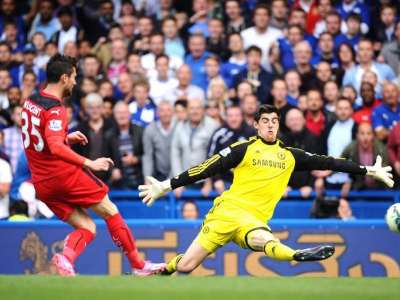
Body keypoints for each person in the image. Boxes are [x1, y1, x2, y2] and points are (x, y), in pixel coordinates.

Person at [139, 104, 393, 275]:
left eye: (274, 121)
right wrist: (166, 185)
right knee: (185, 267)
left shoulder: (289, 155)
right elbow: (206, 168)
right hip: (226, 213)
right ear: (257, 125)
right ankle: (167, 267)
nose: (270, 125)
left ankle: (297, 254)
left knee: (265, 239)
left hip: (254, 220)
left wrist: (368, 170)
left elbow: (329, 162)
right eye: (265, 121)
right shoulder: (243, 149)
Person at [21, 54, 165, 276]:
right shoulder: (56, 108)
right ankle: (138, 265)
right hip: (63, 176)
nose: (75, 82)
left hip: (42, 184)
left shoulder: (31, 102)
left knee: (88, 227)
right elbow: (56, 148)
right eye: (74, 77)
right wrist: (90, 162)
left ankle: (65, 258)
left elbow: (37, 141)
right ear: (63, 78)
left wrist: (65, 137)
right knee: (110, 210)